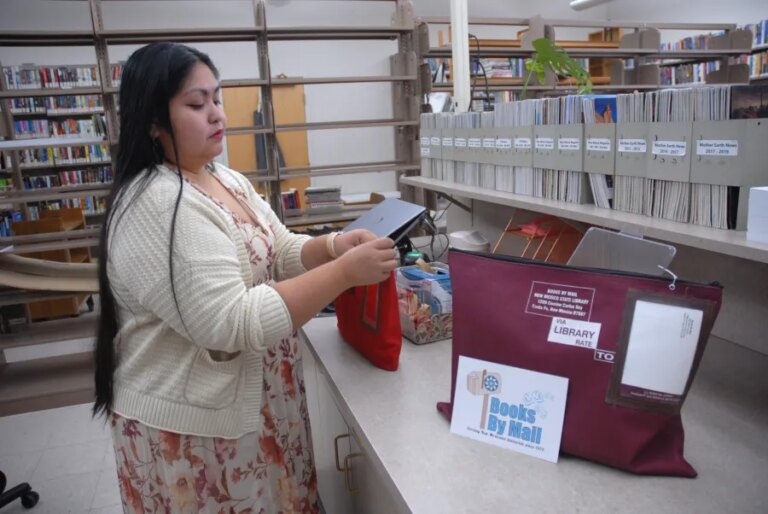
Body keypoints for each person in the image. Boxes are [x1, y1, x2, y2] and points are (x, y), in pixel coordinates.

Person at [92, 42, 398, 513]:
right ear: (153, 121)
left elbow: (279, 248)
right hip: (199, 435)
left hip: (258, 410)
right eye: (196, 104)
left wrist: (333, 245)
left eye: (217, 98)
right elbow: (230, 324)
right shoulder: (157, 204)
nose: (217, 114)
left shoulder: (224, 178)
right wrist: (342, 273)